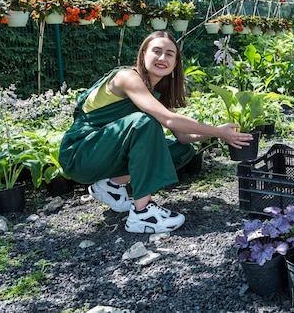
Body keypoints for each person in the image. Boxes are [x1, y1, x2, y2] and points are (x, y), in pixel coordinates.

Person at [59, 31, 253, 234]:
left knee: (180, 150)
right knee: (145, 122)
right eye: (157, 51)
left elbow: (183, 136)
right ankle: (142, 214)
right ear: (143, 54)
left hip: (104, 152)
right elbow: (167, 119)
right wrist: (215, 130)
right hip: (81, 153)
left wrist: (219, 133)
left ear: (176, 62)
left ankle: (111, 186)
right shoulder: (127, 77)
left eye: (170, 54)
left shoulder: (159, 90)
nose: (163, 58)